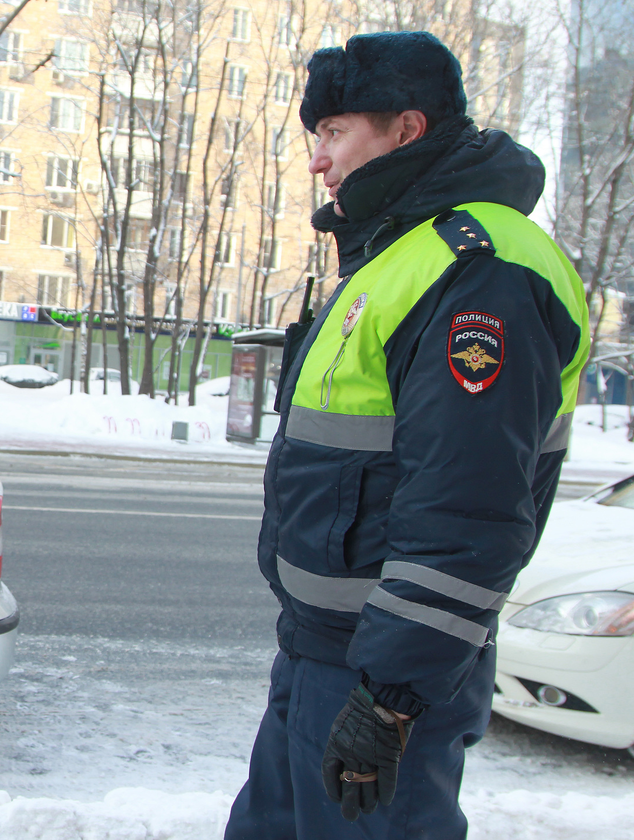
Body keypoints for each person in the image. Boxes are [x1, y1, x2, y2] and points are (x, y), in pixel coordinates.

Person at [224, 32, 589, 840]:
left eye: (333, 132)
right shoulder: (398, 254)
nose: (318, 161)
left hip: (381, 675)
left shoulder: (481, 268)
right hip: (325, 653)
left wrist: (389, 699)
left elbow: (467, 506)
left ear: (406, 130)